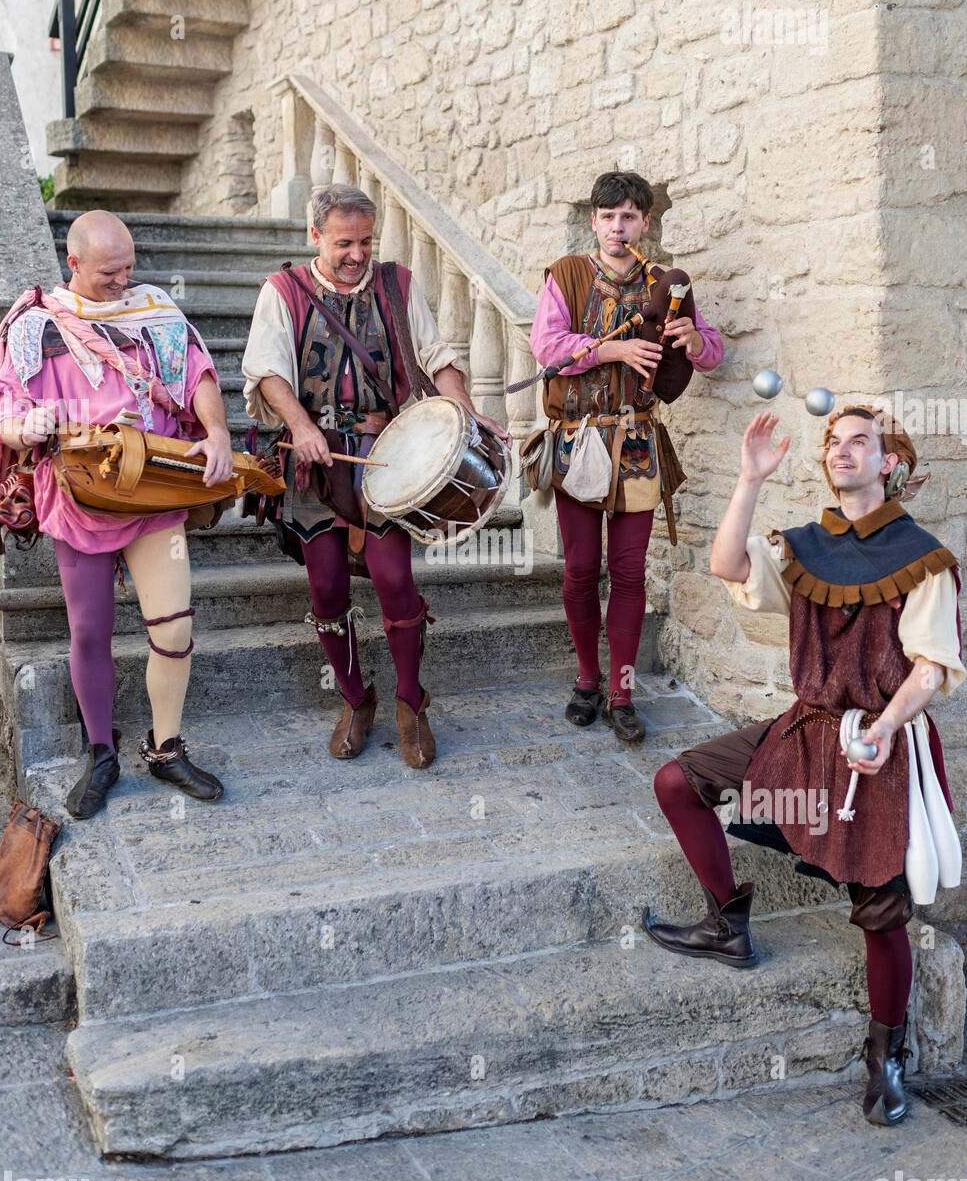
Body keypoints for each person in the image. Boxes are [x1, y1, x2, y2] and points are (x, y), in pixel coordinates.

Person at [643, 407, 964, 1125]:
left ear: (887, 464)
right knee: (677, 781)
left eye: (858, 442)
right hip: (806, 730)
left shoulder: (922, 556)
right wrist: (748, 479)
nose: (840, 451)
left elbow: (931, 668)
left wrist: (882, 728)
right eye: (832, 441)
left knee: (880, 915)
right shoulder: (806, 547)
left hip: (877, 740)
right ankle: (726, 925)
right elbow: (726, 564)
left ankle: (886, 1055)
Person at [241, 183, 509, 767]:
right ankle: (355, 698)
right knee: (327, 590)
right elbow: (266, 373)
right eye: (343, 242)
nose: (357, 254)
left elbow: (438, 357)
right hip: (313, 466)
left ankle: (412, 703)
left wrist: (463, 408)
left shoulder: (399, 284)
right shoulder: (281, 292)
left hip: (386, 457)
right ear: (315, 237)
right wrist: (302, 427)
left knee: (394, 582)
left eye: (365, 241)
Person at [0, 210, 232, 817]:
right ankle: (101, 754)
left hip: (153, 491)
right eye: (108, 273)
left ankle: (166, 748)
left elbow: (196, 369)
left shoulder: (153, 308)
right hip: (79, 498)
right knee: (90, 632)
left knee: (174, 629)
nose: (123, 282)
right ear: (72, 264)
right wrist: (26, 426)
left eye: (128, 267)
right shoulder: (32, 326)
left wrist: (219, 431)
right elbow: (3, 408)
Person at [529, 170, 723, 743]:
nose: (619, 227)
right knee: (582, 568)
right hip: (579, 439)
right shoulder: (565, 274)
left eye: (630, 217)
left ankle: (623, 690)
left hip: (637, 441)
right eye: (609, 216)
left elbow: (710, 351)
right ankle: (587, 679)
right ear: (594, 221)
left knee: (631, 571)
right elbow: (546, 348)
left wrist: (694, 341)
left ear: (645, 223)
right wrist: (612, 347)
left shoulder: (668, 283)